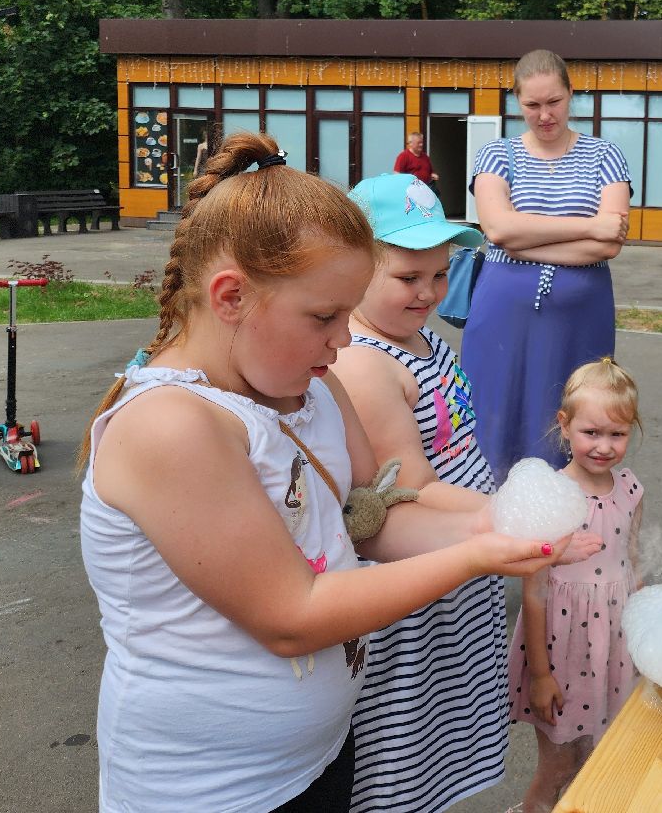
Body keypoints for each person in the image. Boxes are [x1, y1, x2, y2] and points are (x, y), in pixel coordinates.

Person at [78, 133, 569, 812]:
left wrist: (506, 522)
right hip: (210, 792)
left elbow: (375, 517)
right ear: (229, 297)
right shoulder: (172, 425)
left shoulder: (311, 385)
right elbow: (292, 616)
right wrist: (477, 556)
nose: (345, 339)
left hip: (319, 762)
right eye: (325, 316)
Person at [330, 172, 514, 813]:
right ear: (355, 267)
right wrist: (507, 517)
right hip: (419, 570)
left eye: (439, 275)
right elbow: (409, 488)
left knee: (449, 721)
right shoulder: (362, 361)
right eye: (408, 278)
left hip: (461, 555)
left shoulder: (424, 338)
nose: (429, 293)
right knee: (407, 728)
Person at [460, 49, 632, 483]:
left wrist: (524, 242)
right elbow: (497, 229)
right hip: (503, 314)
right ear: (516, 101)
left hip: (580, 316)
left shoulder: (605, 154)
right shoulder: (497, 154)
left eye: (553, 102)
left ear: (571, 94)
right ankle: (485, 512)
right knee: (495, 409)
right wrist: (588, 227)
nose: (544, 115)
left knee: (578, 410)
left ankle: (565, 521)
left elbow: (610, 242)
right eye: (532, 105)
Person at [510, 358, 644, 813]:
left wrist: (645, 630)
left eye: (617, 434)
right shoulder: (552, 496)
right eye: (591, 432)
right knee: (558, 764)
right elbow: (534, 592)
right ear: (564, 426)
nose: (604, 446)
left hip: (616, 641)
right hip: (565, 646)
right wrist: (542, 675)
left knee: (599, 756)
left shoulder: (630, 489)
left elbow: (633, 558)